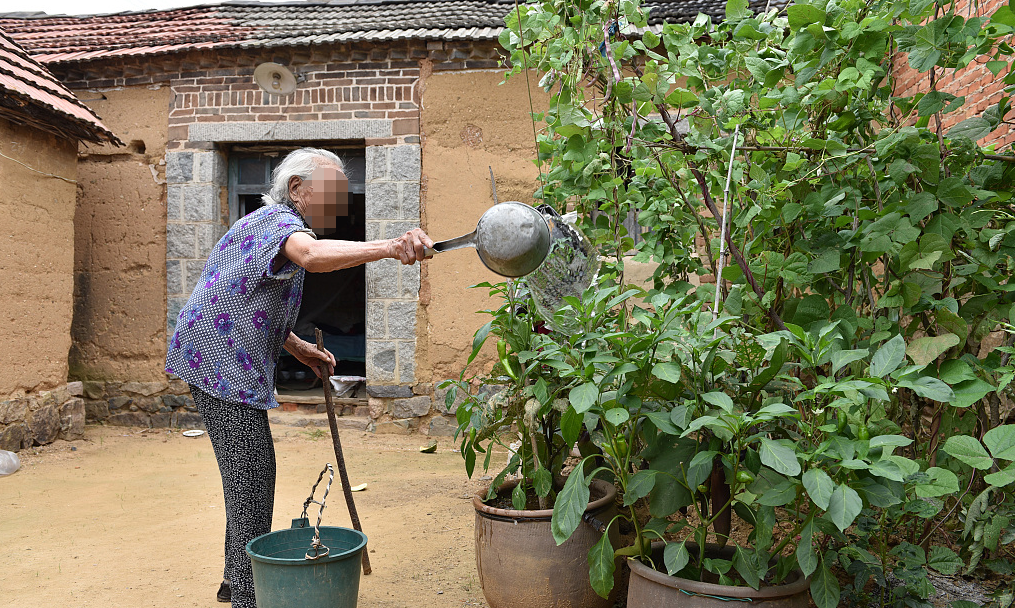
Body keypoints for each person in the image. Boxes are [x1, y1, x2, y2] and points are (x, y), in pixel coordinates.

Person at [165, 147, 432, 608]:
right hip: (217, 363)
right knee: (251, 475)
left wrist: (300, 349)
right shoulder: (278, 225)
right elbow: (311, 256)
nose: (340, 207)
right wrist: (390, 248)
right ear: (296, 189)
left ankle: (236, 580)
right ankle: (248, 595)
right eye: (332, 195)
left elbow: (248, 298)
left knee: (247, 476)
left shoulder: (264, 226)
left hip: (218, 358)